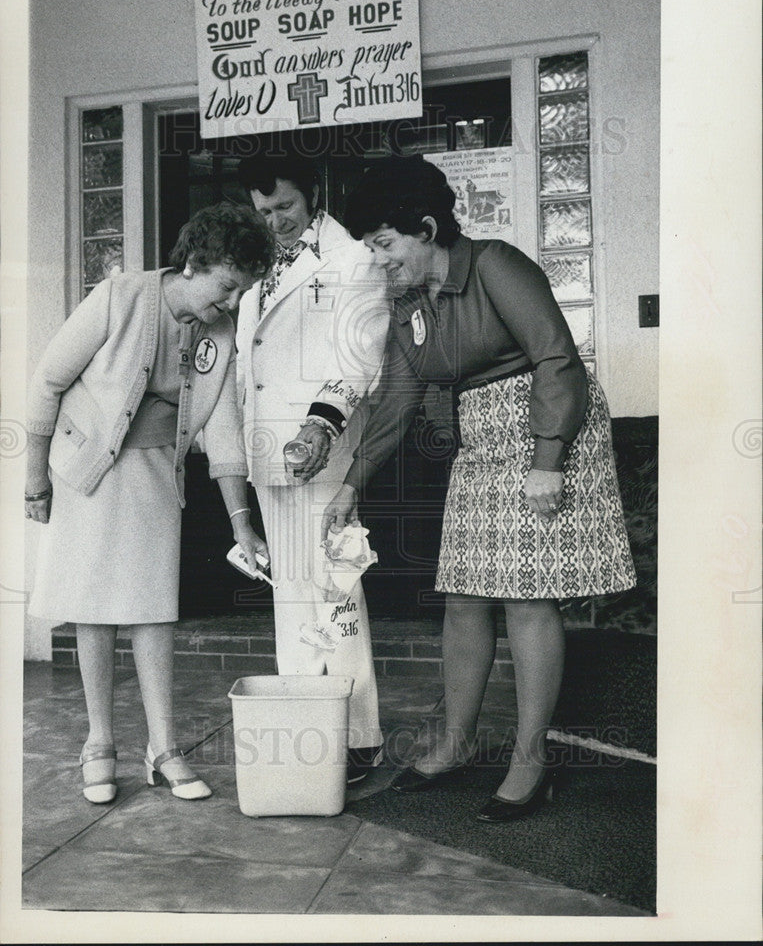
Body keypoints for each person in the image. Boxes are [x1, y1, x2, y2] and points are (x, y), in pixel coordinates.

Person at [322, 155, 637, 821]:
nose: (378, 261)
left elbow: (556, 357)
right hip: (480, 438)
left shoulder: (495, 264)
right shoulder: (410, 305)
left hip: (547, 424)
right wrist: (352, 483)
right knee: (463, 596)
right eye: (370, 248)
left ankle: (531, 758)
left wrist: (547, 458)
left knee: (525, 599)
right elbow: (396, 402)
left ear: (426, 228)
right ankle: (457, 741)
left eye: (384, 244)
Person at [25, 203, 274, 804]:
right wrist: (35, 478)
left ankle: (162, 749)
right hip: (89, 472)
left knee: (153, 609)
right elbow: (48, 380)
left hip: (157, 475)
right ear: (193, 264)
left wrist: (242, 521)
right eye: (228, 286)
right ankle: (99, 742)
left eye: (244, 291)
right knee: (95, 607)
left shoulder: (219, 334)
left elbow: (223, 429)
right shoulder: (120, 296)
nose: (234, 303)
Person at [236, 152, 390, 783]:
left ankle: (358, 736)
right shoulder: (257, 265)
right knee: (291, 597)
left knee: (334, 592)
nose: (274, 222)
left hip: (320, 450)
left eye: (285, 208)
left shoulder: (352, 258)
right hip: (267, 452)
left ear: (316, 194)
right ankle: (306, 726)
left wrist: (320, 424)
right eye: (263, 211)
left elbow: (360, 354)